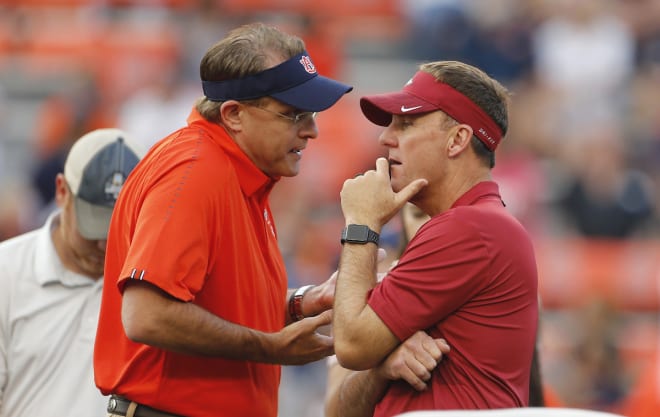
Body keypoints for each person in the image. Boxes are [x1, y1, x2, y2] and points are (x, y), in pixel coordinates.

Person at [93, 22, 353, 417]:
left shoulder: (238, 169)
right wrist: (269, 347)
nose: (312, 130)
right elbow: (147, 315)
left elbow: (218, 305)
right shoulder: (196, 173)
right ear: (233, 114)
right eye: (293, 114)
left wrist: (300, 304)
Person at [332, 60, 539, 416]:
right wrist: (382, 366)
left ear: (457, 139)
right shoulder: (467, 225)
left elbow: (351, 345)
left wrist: (361, 223)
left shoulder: (471, 228)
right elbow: (338, 412)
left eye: (406, 123)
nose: (385, 137)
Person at [0, 128, 144, 417]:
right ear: (62, 191)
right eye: (94, 224)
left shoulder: (150, 280)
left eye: (118, 227)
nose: (105, 243)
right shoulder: (7, 271)